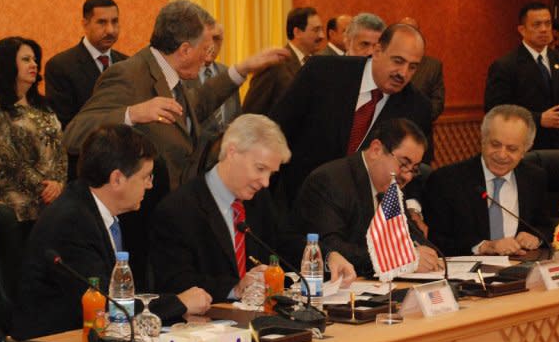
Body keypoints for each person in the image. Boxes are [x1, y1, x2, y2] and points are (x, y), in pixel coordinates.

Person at [63, 0, 288, 191]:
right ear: (185, 50)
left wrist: (242, 69)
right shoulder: (128, 75)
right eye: (205, 51)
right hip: (142, 214)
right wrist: (132, 114)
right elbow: (74, 134)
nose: (208, 59)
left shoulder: (174, 75)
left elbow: (197, 105)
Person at [13, 125, 211, 340]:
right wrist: (179, 303)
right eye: (145, 177)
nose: (150, 186)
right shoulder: (71, 222)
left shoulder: (96, 210)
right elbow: (107, 303)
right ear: (117, 179)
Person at [150, 114, 356, 303]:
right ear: (232, 152)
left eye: (271, 173)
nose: (265, 182)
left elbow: (282, 242)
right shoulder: (179, 209)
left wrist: (328, 257)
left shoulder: (258, 199)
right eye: (260, 169)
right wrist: (235, 288)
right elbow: (174, 282)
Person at [270, 23, 432, 207]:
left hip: (359, 220)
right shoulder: (322, 73)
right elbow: (277, 131)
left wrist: (413, 208)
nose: (403, 73)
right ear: (378, 50)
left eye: (413, 67)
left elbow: (416, 169)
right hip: (296, 203)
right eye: (398, 61)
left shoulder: (417, 108)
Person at [292, 118, 438, 277]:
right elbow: (331, 247)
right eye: (403, 164)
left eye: (414, 169)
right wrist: (400, 260)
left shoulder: (391, 186)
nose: (408, 176)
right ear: (376, 149)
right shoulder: (330, 181)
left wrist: (430, 256)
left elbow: (411, 236)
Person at [423, 105, 550, 256]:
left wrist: (536, 238)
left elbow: (547, 227)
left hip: (520, 268)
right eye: (495, 145)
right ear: (483, 140)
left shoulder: (534, 178)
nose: (502, 155)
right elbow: (436, 240)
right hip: (468, 273)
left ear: (525, 149)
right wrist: (484, 246)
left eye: (512, 149)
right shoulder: (447, 180)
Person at [0, 36, 67, 226]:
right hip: (10, 206)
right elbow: (6, 155)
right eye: (26, 60)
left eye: (35, 59)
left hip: (48, 204)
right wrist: (43, 186)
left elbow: (60, 147)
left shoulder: (43, 105)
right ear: (8, 65)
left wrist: (58, 184)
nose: (34, 64)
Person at [484, 1, 559, 150]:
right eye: (537, 25)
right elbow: (496, 111)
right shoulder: (506, 65)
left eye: (548, 24)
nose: (544, 29)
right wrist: (538, 119)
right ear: (522, 30)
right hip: (524, 147)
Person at [45, 0, 128, 130]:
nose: (110, 30)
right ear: (85, 24)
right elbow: (65, 124)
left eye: (115, 21)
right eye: (102, 22)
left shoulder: (127, 63)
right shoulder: (60, 66)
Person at [242, 7, 324, 115]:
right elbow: (252, 110)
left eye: (322, 29)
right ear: (297, 32)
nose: (322, 35)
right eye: (316, 30)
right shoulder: (274, 63)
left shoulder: (316, 63)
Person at [196, 22, 240, 138]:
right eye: (208, 38)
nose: (212, 44)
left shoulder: (228, 73)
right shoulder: (183, 74)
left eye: (217, 39)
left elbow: (236, 116)